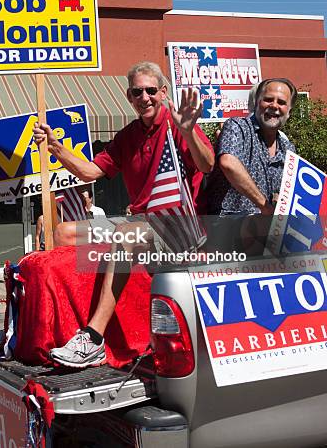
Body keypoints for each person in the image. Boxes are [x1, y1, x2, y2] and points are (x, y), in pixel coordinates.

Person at [33, 61, 214, 368]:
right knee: (63, 232)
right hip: (144, 225)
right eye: (137, 92)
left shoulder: (180, 124)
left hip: (180, 227)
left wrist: (188, 132)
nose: (145, 97)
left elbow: (208, 164)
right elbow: (91, 170)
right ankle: (58, 313)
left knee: (125, 233)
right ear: (129, 97)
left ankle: (93, 337)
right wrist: (55, 148)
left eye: (151, 90)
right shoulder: (127, 135)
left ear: (163, 92)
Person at [206, 78, 297, 250]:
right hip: (226, 232)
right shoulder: (237, 126)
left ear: (289, 111)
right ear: (256, 102)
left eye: (282, 102)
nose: (274, 106)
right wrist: (265, 206)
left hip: (266, 239)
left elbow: (288, 194)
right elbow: (228, 163)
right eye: (268, 99)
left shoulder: (288, 148)